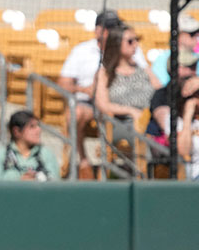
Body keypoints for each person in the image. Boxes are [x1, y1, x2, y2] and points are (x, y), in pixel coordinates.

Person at [58, 10, 153, 178]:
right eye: (109, 27)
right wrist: (85, 90)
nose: (113, 31)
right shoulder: (82, 50)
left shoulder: (132, 51)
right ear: (98, 30)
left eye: (116, 27)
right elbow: (64, 83)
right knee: (76, 113)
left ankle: (133, 165)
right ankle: (84, 161)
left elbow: (146, 76)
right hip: (89, 101)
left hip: (118, 101)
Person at [147, 50, 199, 152]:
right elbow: (171, 132)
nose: (191, 71)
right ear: (172, 69)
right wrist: (188, 113)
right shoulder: (162, 94)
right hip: (168, 153)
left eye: (193, 66)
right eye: (186, 67)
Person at [0, 110, 60, 181]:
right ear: (16, 131)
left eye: (38, 126)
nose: (38, 130)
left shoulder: (46, 154)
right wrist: (20, 182)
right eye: (32, 127)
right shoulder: (0, 155)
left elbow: (55, 185)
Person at [151, 14, 199, 86]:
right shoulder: (162, 60)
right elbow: (161, 87)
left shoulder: (196, 57)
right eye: (192, 33)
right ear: (178, 34)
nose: (197, 36)